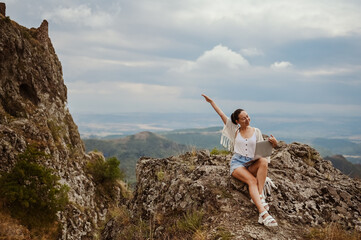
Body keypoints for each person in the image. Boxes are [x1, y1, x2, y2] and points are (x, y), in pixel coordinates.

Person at [202, 94, 278, 227]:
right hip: (238, 164)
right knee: (252, 181)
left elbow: (263, 151)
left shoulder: (256, 131)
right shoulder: (234, 130)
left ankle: (259, 196)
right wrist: (211, 102)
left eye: (248, 117)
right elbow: (221, 115)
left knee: (264, 162)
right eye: (243, 118)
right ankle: (263, 214)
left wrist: (274, 144)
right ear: (237, 121)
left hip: (252, 162)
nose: (247, 120)